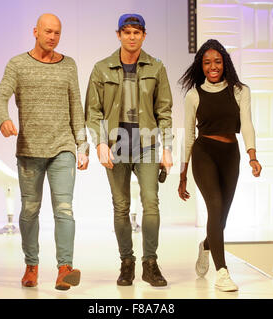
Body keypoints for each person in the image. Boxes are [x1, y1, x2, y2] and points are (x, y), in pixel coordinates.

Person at [0, 13, 89, 291]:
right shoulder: (18, 64)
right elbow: (0, 97)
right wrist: (4, 120)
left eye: (57, 33)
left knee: (64, 209)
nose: (52, 37)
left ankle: (64, 268)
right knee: (30, 210)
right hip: (30, 149)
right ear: (35, 31)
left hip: (63, 148)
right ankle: (31, 265)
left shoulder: (68, 65)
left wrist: (82, 146)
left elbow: (76, 108)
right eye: (48, 31)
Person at [85, 14, 173, 287]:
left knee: (151, 203)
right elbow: (93, 110)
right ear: (118, 35)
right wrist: (100, 143)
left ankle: (150, 263)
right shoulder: (102, 68)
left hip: (146, 145)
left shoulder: (156, 67)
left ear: (144, 35)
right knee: (121, 207)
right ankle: (126, 262)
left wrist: (167, 148)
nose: (132, 36)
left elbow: (164, 111)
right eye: (127, 32)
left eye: (137, 32)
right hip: (116, 145)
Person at [178, 39, 262, 292]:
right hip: (204, 153)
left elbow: (246, 123)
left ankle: (206, 245)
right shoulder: (193, 95)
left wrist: (252, 156)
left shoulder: (240, 90)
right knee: (214, 206)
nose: (212, 66)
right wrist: (182, 174)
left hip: (230, 154)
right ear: (201, 66)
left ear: (224, 63)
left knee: (221, 217)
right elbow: (190, 135)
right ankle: (222, 272)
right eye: (207, 62)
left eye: (217, 61)